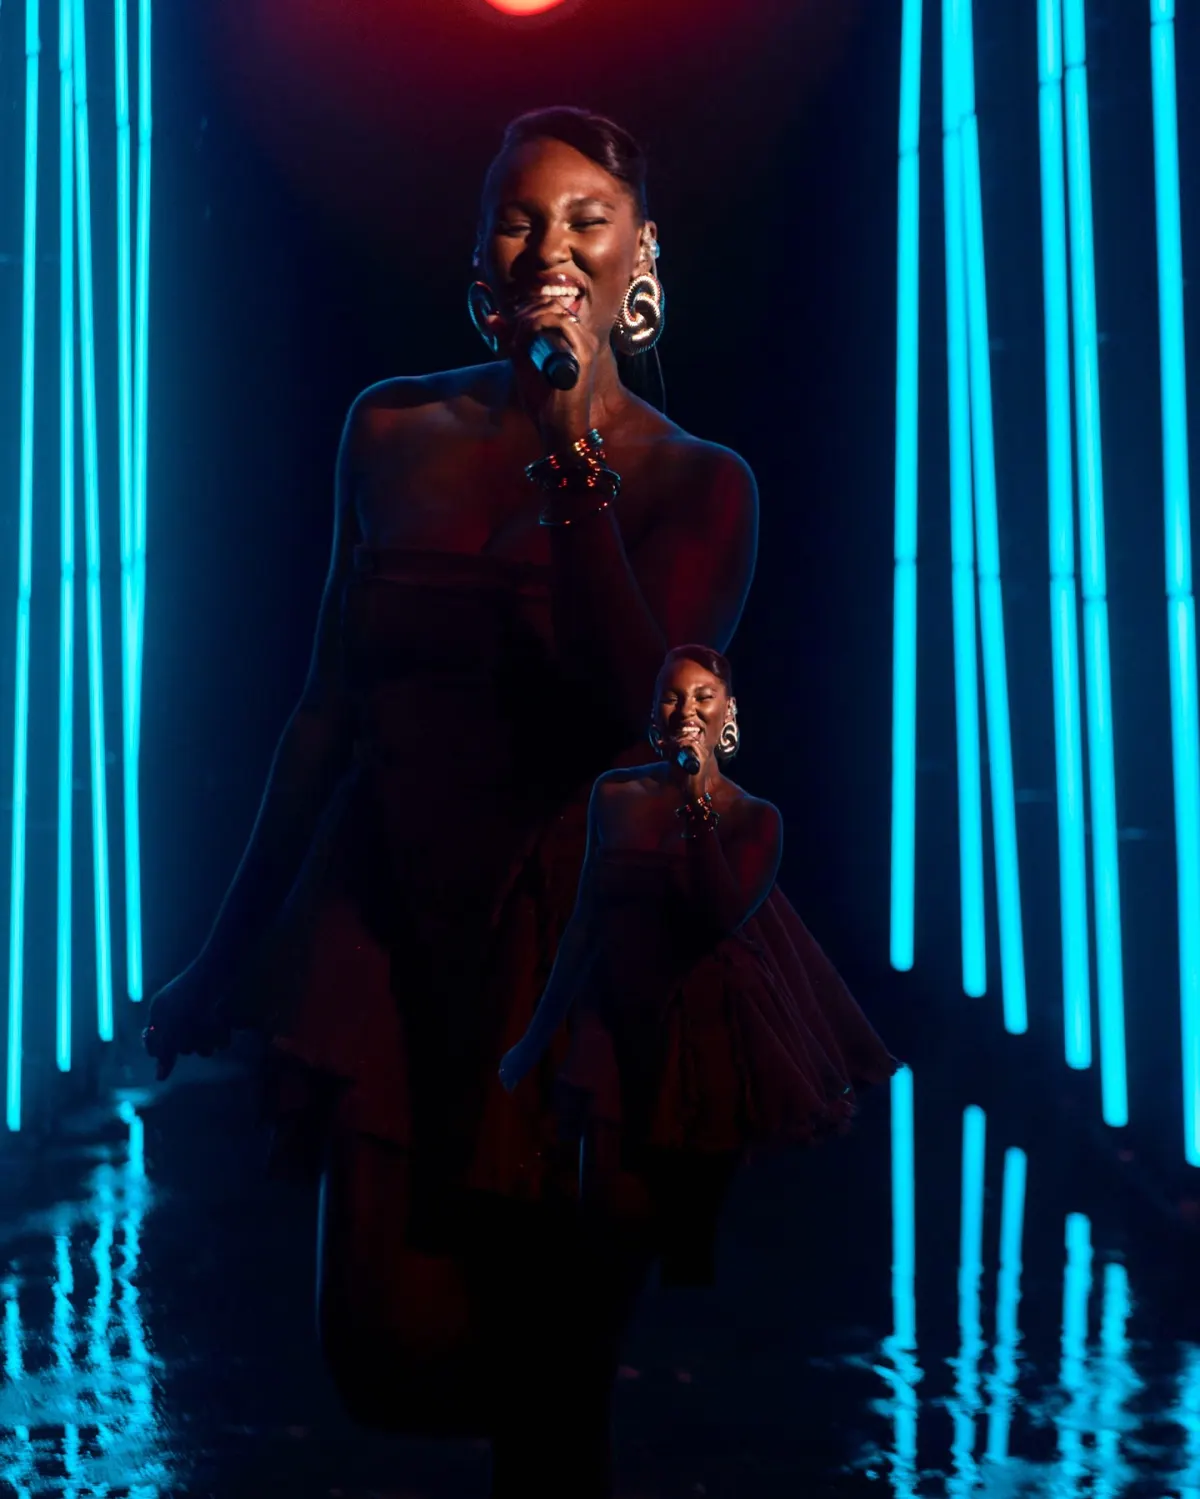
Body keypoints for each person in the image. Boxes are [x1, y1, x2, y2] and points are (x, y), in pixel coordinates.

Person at [142, 108, 758, 1497]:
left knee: (554, 1399)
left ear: (642, 256)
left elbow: (636, 708)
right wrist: (221, 960)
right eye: (519, 219)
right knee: (382, 1354)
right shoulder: (389, 427)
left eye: (587, 218)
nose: (551, 247)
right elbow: (324, 712)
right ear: (482, 256)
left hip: (577, 958)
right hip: (393, 930)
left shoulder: (700, 482)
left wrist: (571, 455)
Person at [499, 645, 897, 1286]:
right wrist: (534, 1041)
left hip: (704, 1037)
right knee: (601, 1218)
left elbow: (718, 914)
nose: (686, 709)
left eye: (703, 696)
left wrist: (695, 802)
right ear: (655, 712)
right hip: (615, 1020)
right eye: (672, 696)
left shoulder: (755, 819)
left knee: (687, 1237)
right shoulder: (614, 796)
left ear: (727, 713)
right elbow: (584, 924)